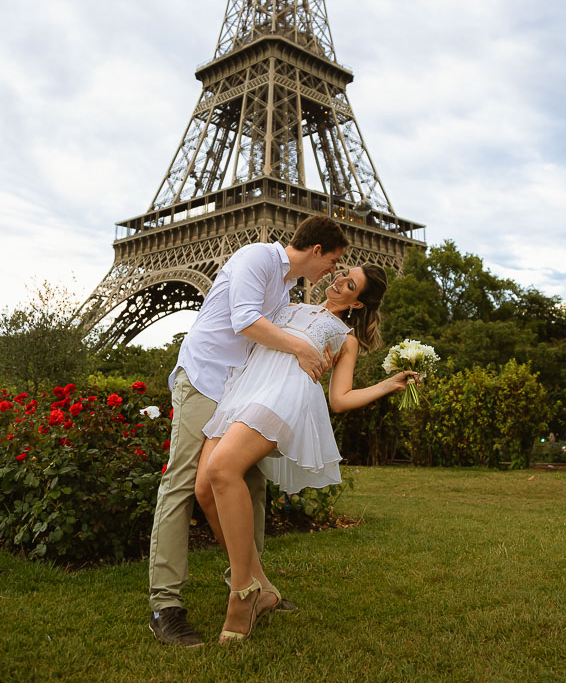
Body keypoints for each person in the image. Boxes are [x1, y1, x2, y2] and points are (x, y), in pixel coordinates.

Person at [148, 214, 348, 647]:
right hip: (205, 378)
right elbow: (245, 321)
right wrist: (299, 347)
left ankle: (253, 586)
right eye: (333, 260)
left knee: (248, 484)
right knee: (182, 484)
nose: (333, 270)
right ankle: (165, 605)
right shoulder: (257, 256)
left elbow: (287, 333)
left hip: (240, 389)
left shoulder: (288, 287)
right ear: (316, 250)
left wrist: (316, 350)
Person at [194, 263, 418, 643]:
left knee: (223, 472)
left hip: (282, 396)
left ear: (358, 303)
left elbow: (340, 399)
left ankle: (242, 592)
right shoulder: (288, 305)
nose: (338, 281)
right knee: (204, 491)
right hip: (242, 388)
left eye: (349, 284)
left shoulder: (344, 337)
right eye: (342, 272)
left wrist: (386, 385)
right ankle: (261, 587)